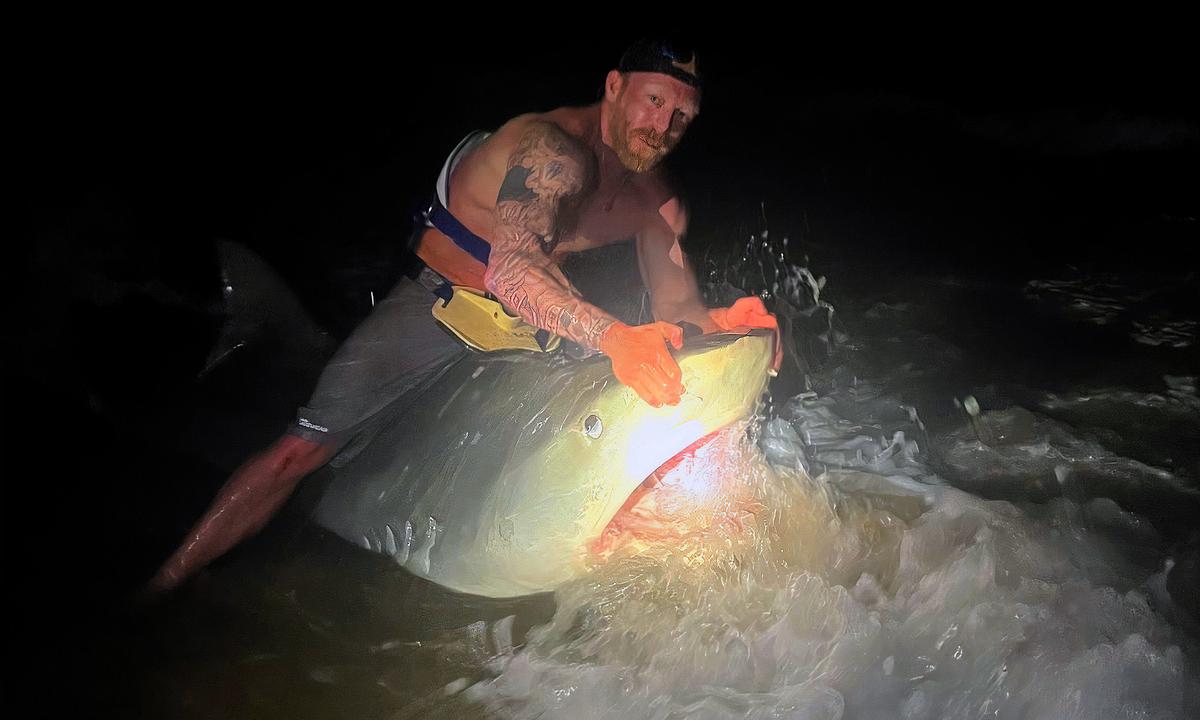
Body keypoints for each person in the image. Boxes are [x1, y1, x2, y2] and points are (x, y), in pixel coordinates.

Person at [148, 38, 779, 594]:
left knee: (623, 403)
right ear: (613, 87)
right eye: (652, 101)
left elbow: (679, 309)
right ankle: (161, 587)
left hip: (527, 326)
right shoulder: (551, 149)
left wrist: (726, 321)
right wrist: (612, 335)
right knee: (302, 450)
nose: (663, 125)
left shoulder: (657, 201)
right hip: (439, 304)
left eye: (681, 116)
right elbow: (509, 272)